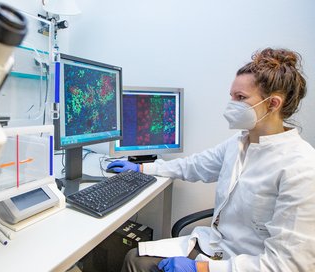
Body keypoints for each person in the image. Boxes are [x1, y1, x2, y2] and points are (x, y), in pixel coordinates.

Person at [107, 48, 315, 271]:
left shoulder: (301, 167)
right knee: (134, 257)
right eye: (232, 96)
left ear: (273, 104)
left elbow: (289, 265)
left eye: (241, 98)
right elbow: (195, 165)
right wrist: (142, 168)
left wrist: (203, 269)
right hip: (216, 246)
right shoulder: (240, 142)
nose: (231, 104)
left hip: (245, 263)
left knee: (137, 261)